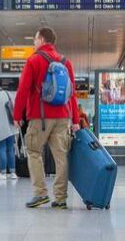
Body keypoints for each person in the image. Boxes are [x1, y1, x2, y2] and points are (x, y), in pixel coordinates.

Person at [13, 27, 80, 210]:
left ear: (42, 39)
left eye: (35, 39)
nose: (34, 43)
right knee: (61, 157)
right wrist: (75, 119)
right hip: (63, 117)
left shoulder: (34, 60)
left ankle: (40, 194)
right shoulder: (66, 62)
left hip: (39, 117)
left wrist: (17, 115)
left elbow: (23, 90)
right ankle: (60, 199)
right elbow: (72, 94)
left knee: (34, 152)